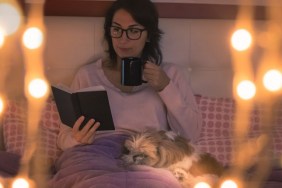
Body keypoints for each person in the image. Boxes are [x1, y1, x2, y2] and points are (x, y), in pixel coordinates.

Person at [57, 0, 202, 150]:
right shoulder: (87, 75)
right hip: (96, 154)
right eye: (117, 29)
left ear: (149, 35)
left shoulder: (170, 74)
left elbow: (191, 136)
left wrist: (166, 88)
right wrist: (77, 139)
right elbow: (63, 139)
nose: (123, 39)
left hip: (147, 156)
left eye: (133, 31)